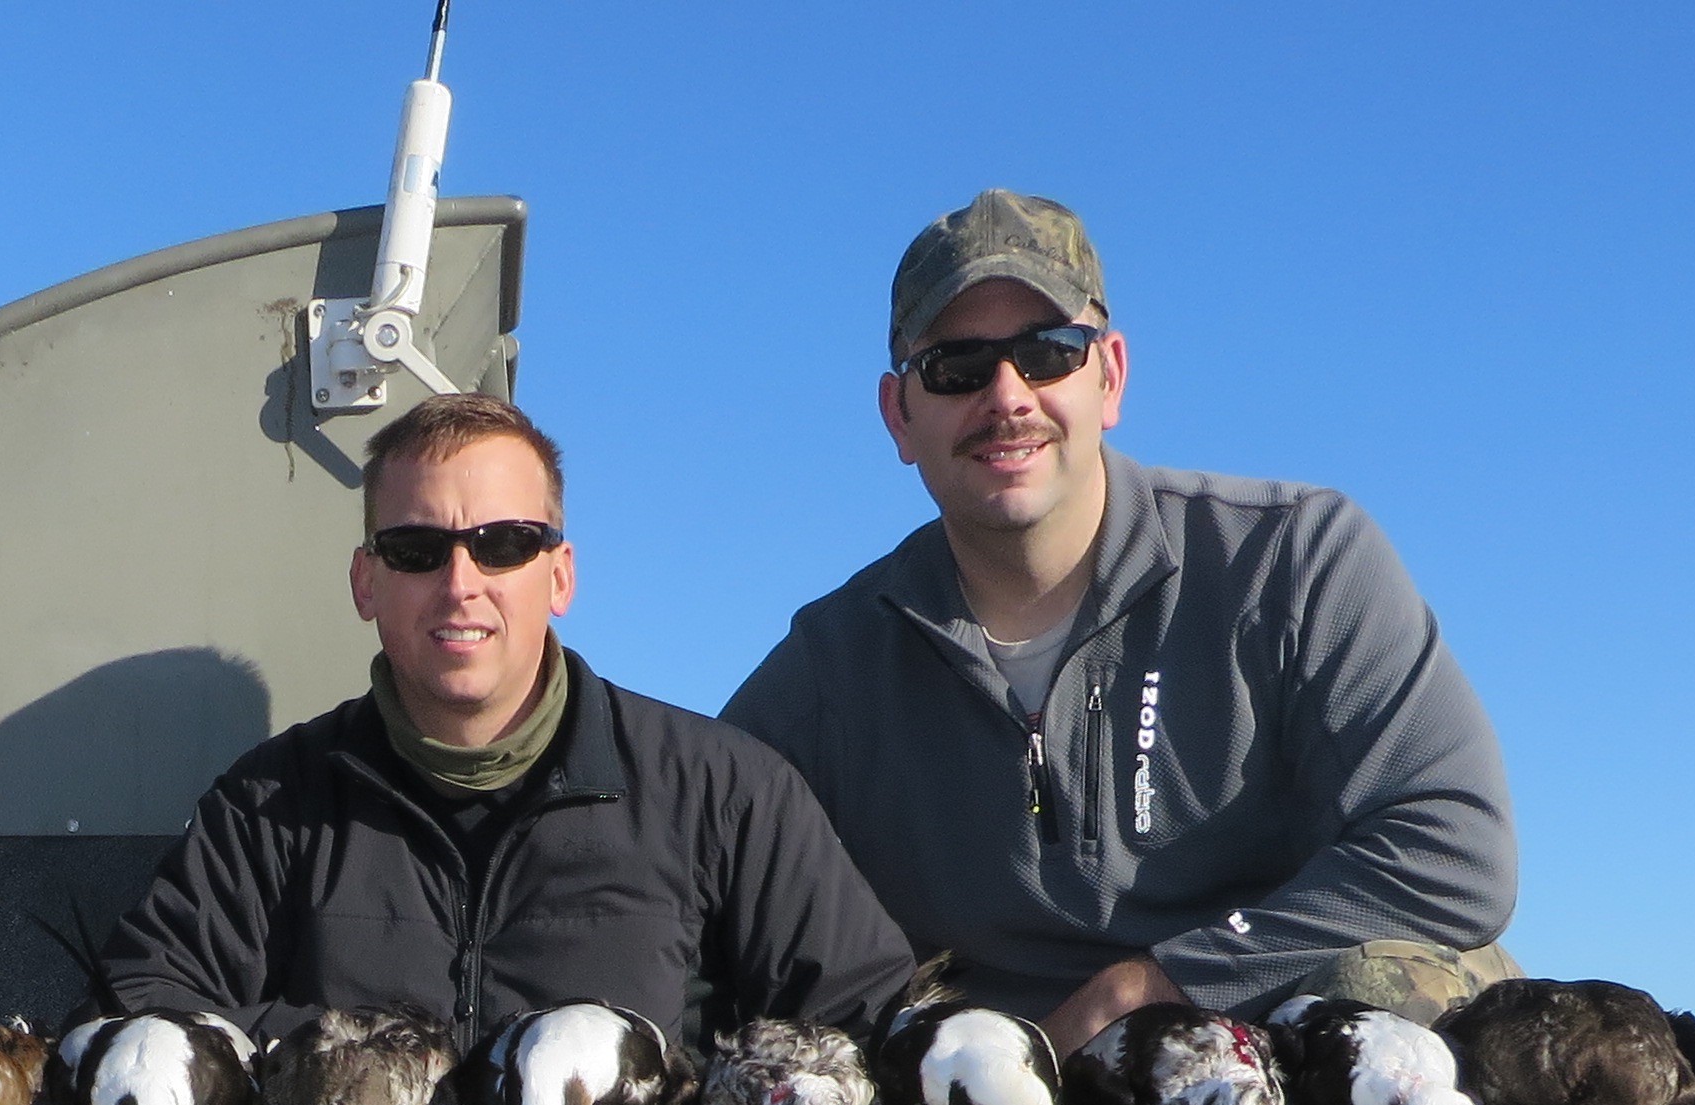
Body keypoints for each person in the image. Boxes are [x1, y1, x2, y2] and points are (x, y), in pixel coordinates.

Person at [725, 192, 1516, 1057]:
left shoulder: (1296, 559)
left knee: (1417, 983)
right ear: (898, 415)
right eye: (955, 365)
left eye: (1048, 354)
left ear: (1111, 377)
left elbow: (1456, 847)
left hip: (1290, 1055)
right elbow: (695, 873)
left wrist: (1159, 986)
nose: (1006, 396)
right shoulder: (831, 668)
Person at [98, 393, 910, 1056]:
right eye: (417, 548)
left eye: (504, 545)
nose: (461, 584)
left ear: (559, 575)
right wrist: (367, 1059)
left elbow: (865, 1026)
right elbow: (144, 1021)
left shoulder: (725, 793)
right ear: (365, 583)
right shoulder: (265, 808)